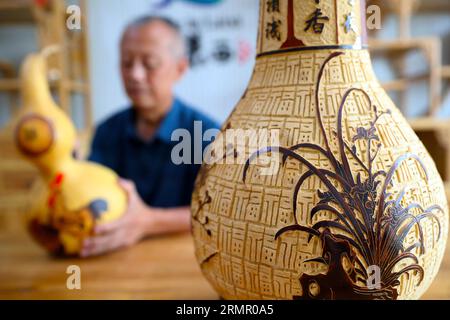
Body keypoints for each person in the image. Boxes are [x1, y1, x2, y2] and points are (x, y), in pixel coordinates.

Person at [81, 16, 220, 257]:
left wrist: (148, 221)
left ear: (180, 68)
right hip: (114, 263)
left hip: (185, 263)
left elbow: (220, 211)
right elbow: (89, 196)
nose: (135, 74)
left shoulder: (204, 134)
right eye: (126, 63)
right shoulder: (106, 131)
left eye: (150, 63)